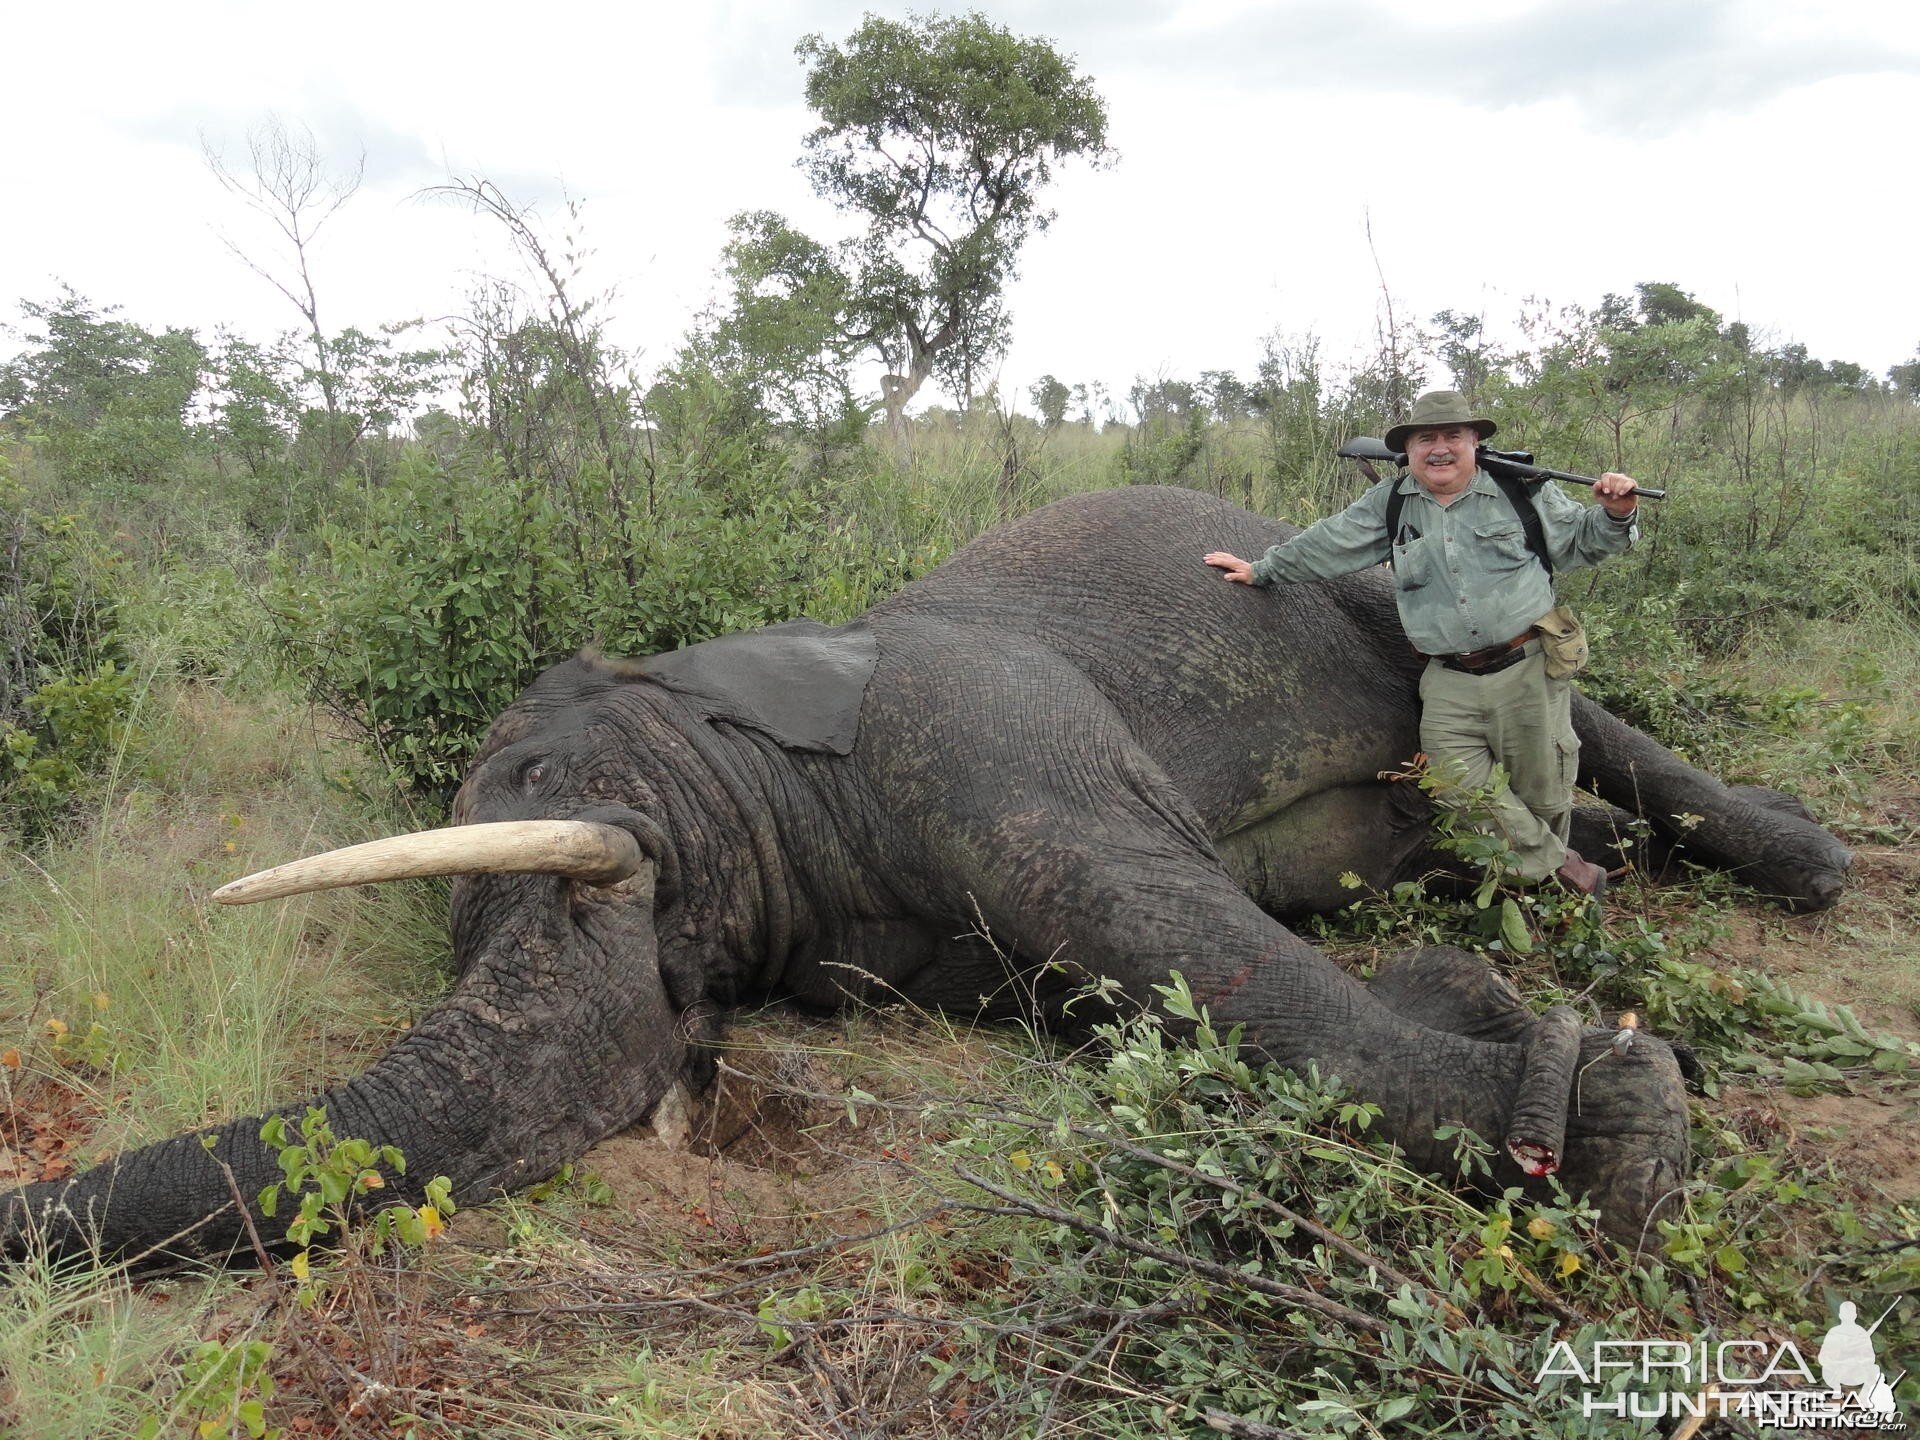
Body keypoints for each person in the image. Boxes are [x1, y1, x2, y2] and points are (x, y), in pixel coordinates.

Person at [1203, 390, 1641, 897]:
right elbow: (1330, 542)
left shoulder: (1522, 491)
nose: (1440, 449)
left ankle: (1543, 895)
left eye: (1453, 436)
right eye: (1425, 438)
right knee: (1455, 788)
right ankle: (1567, 871)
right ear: (1407, 449)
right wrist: (1262, 569)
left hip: (1526, 667)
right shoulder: (1390, 503)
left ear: (1474, 441)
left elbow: (1583, 543)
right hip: (1448, 678)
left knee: (1542, 795)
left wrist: (1615, 513)